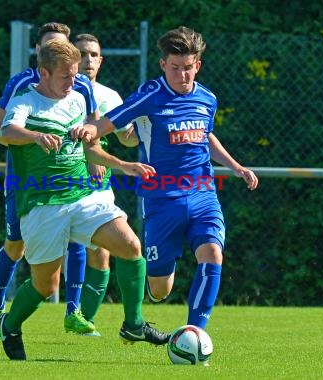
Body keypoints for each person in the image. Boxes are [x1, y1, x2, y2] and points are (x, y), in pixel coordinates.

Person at [71, 26, 259, 338]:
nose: (182, 75)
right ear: (163, 65)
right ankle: (146, 298)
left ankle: (194, 335)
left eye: (188, 68)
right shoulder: (149, 95)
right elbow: (111, 121)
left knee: (213, 254)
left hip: (202, 192)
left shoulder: (207, 98)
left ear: (197, 65)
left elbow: (205, 136)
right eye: (175, 68)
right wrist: (90, 132)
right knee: (160, 289)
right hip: (160, 198)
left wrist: (236, 166)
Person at [0, 39, 170, 360]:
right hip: (43, 205)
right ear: (44, 73)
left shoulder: (77, 99)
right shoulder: (26, 100)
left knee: (131, 247)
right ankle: (11, 324)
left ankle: (134, 324)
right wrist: (35, 136)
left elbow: (91, 147)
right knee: (45, 286)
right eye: (65, 76)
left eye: (75, 75)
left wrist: (123, 165)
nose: (72, 82)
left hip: (84, 197)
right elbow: (6, 130)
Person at [0, 22, 99, 339]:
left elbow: (89, 131)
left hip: (68, 181)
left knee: (77, 236)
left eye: (62, 45)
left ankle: (73, 311)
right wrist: (32, 143)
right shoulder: (22, 85)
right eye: (49, 46)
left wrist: (92, 157)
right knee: (15, 246)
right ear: (39, 53)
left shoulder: (80, 88)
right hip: (25, 184)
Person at [72, 33, 138, 336]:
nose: (88, 59)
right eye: (82, 53)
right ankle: (4, 312)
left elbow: (126, 137)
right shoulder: (58, 92)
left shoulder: (110, 96)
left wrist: (145, 128)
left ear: (101, 60)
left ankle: (82, 320)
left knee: (102, 252)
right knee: (43, 262)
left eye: (93, 54)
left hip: (98, 189)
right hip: (58, 188)